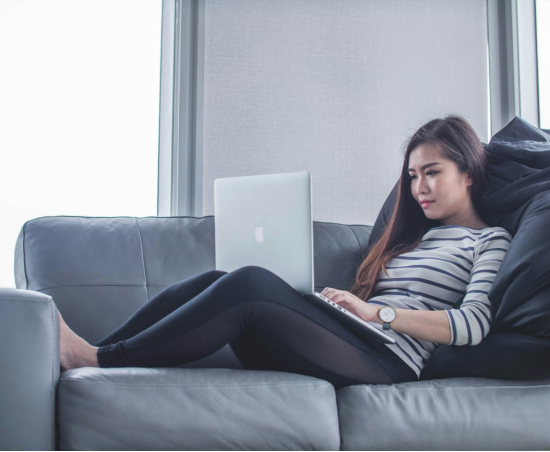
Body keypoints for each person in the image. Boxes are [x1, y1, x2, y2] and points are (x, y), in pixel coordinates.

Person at [59, 115, 512, 390]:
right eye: (412, 176)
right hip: (352, 341)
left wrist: (378, 315)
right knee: (221, 279)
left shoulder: (489, 240)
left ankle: (96, 359)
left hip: (390, 362)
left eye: (431, 172)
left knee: (250, 283)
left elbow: (472, 325)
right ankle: (97, 353)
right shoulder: (412, 238)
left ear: (468, 172)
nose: (418, 188)